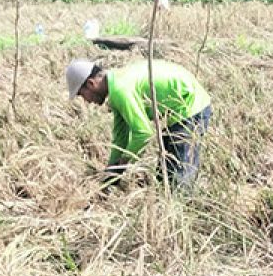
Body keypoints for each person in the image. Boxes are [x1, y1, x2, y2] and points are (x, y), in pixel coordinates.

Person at [66, 57, 211, 190]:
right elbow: (120, 138)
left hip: (191, 106)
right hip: (180, 109)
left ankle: (183, 212)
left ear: (91, 84)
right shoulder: (116, 85)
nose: (86, 101)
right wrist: (111, 171)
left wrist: (124, 162)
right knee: (165, 175)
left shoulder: (120, 90)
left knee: (179, 177)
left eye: (81, 94)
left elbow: (143, 133)